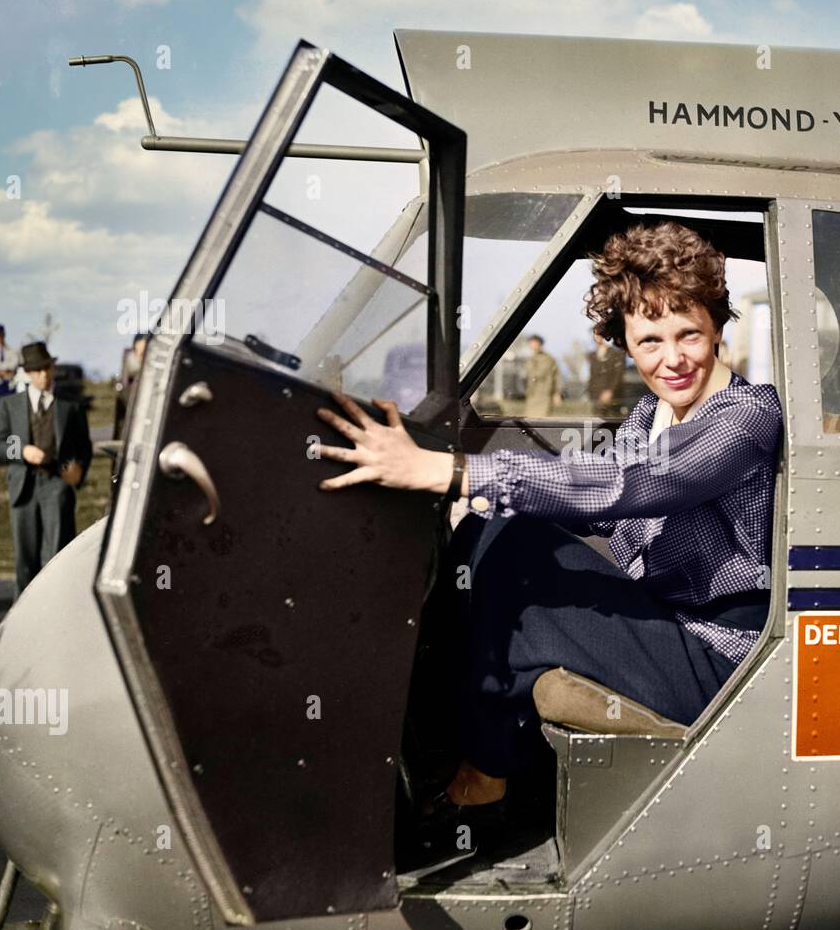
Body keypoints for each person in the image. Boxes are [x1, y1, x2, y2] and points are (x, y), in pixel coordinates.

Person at [314, 221, 782, 837]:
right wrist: (485, 501)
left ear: (718, 326)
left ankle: (485, 779)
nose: (672, 358)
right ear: (624, 342)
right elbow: (590, 487)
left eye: (689, 333)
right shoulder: (653, 411)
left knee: (520, 550)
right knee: (491, 531)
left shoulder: (745, 417)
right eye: (649, 341)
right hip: (662, 619)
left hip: (718, 655)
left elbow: (630, 487)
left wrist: (448, 470)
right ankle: (441, 754)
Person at [0, 342, 93, 597]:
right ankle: (21, 624)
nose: (43, 375)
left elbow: (84, 448)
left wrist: (78, 471)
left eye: (46, 368)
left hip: (56, 486)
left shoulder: (69, 406)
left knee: (57, 558)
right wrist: (22, 451)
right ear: (27, 373)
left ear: (52, 367)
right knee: (24, 561)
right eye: (36, 370)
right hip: (23, 489)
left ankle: (57, 613)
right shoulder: (10, 405)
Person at [586, 327, 625, 419]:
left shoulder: (616, 353)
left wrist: (610, 390)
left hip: (613, 396)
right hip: (595, 395)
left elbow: (618, 375)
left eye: (599, 335)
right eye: (595, 335)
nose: (597, 337)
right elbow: (592, 376)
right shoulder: (592, 355)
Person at [522, 333, 560, 417]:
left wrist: (556, 394)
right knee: (529, 419)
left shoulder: (547, 359)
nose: (532, 345)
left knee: (542, 419)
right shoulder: (531, 358)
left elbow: (555, 377)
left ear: (540, 343)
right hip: (532, 394)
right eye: (531, 343)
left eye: (534, 343)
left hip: (544, 394)